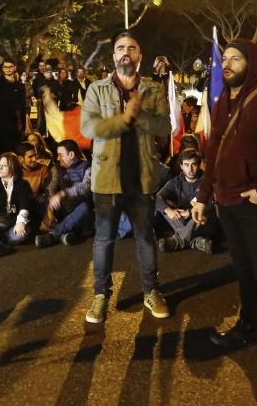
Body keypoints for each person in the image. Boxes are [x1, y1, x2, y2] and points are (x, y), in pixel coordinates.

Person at [192, 38, 257, 379]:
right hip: (226, 202)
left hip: (255, 205)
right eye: (225, 58)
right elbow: (213, 156)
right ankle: (249, 325)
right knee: (243, 270)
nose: (227, 64)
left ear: (251, 63)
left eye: (235, 58)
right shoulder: (223, 100)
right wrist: (203, 196)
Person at [81, 30, 171, 324]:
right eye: (120, 48)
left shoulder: (153, 90)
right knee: (104, 239)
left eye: (132, 48)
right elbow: (89, 129)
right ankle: (100, 296)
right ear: (114, 56)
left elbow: (164, 127)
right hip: (107, 178)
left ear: (140, 56)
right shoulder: (97, 89)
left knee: (146, 238)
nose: (125, 52)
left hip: (142, 176)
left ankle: (151, 290)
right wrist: (124, 119)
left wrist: (138, 115)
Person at [156, 148, 216, 254]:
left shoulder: (206, 181)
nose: (190, 169)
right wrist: (168, 210)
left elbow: (210, 202)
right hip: (182, 220)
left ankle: (178, 241)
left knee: (205, 209)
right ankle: (196, 242)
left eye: (193, 165)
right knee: (164, 209)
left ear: (199, 165)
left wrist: (189, 212)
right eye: (186, 165)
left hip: (200, 221)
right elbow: (157, 197)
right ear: (181, 166)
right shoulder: (175, 182)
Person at [35, 139, 93, 247]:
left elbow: (85, 187)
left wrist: (63, 193)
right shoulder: (57, 169)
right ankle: (69, 234)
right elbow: (51, 189)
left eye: (60, 155)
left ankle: (53, 235)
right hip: (63, 209)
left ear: (71, 154)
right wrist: (50, 207)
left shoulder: (88, 167)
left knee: (85, 207)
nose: (58, 158)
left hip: (79, 210)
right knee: (39, 201)